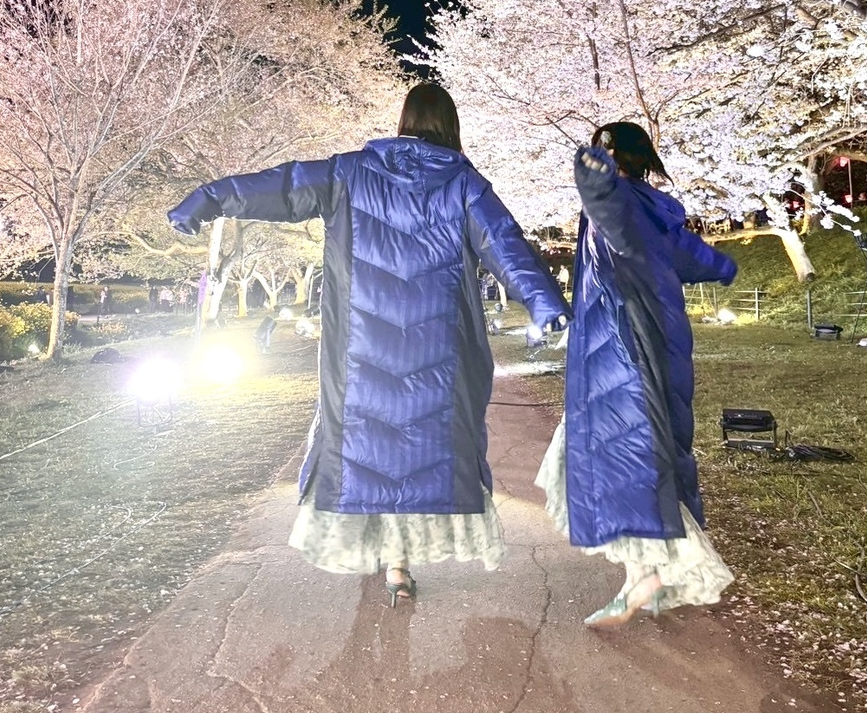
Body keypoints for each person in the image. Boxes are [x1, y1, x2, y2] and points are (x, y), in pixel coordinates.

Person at [167, 83, 569, 607]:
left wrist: (209, 198)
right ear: (451, 127)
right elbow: (505, 245)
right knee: (423, 452)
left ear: (404, 122)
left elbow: (284, 187)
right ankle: (400, 562)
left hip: (363, 349)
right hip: (438, 350)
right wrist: (545, 303)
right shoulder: (465, 184)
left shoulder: (349, 173)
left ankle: (390, 559)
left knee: (369, 450)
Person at [536, 121, 737, 628]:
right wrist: (724, 266)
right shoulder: (656, 211)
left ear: (613, 158)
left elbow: (608, 207)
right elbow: (694, 256)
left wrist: (595, 176)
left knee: (621, 460)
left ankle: (651, 577)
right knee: (645, 456)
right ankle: (642, 578)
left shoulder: (617, 201)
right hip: (662, 343)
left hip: (624, 350)